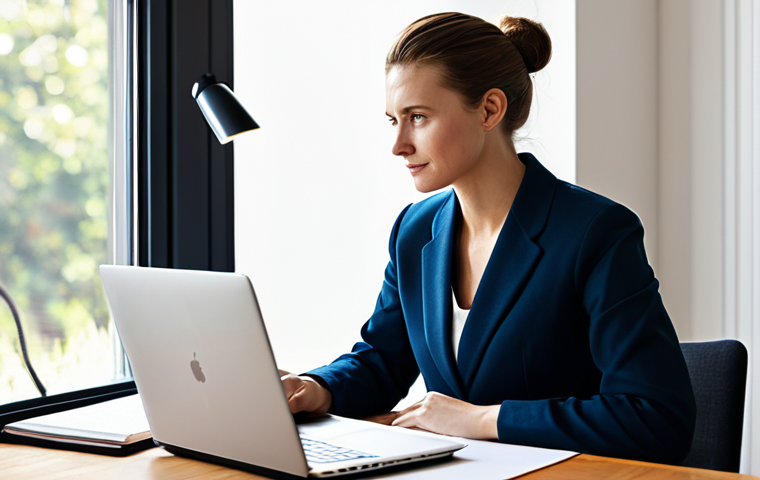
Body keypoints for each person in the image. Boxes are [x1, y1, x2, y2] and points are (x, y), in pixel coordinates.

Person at [279, 12, 696, 463]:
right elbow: (383, 359)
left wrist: (482, 420)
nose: (398, 144)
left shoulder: (594, 232)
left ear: (489, 110)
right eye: (392, 120)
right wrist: (316, 388)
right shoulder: (414, 231)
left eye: (417, 117)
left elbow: (656, 417)